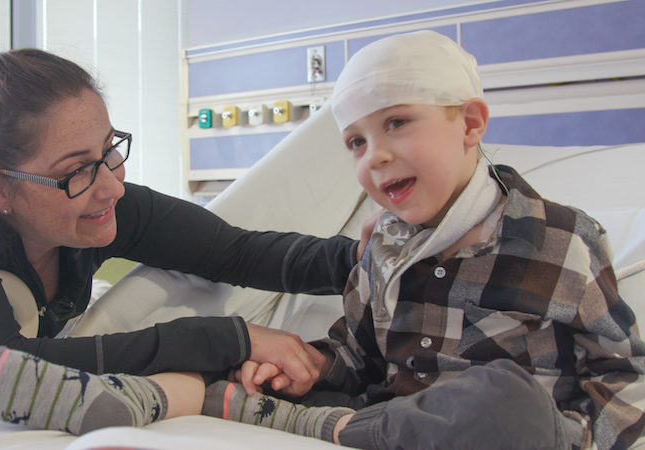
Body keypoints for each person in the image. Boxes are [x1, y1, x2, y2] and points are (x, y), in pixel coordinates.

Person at [0, 49, 358, 432]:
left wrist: (370, 259)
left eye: (110, 149)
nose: (114, 185)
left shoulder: (89, 190)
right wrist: (229, 339)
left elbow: (235, 252)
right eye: (79, 169)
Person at [199, 30, 645, 449]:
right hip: (391, 426)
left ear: (470, 124)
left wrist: (570, 438)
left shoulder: (561, 242)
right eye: (357, 141)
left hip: (506, 431)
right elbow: (359, 355)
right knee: (228, 374)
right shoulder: (383, 247)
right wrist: (310, 366)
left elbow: (624, 374)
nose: (376, 155)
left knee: (505, 398)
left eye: (397, 122)